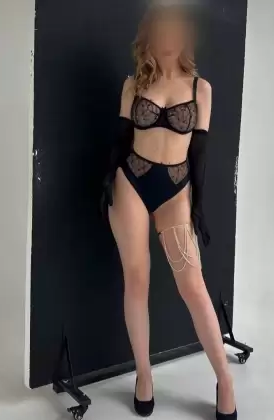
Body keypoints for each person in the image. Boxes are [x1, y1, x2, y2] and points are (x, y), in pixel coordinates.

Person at [101, 4, 237, 419]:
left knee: (193, 285)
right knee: (136, 280)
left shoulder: (201, 89)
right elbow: (121, 139)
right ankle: (144, 375)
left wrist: (199, 207)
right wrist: (106, 181)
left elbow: (200, 155)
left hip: (176, 190)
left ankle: (225, 380)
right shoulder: (133, 85)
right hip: (131, 183)